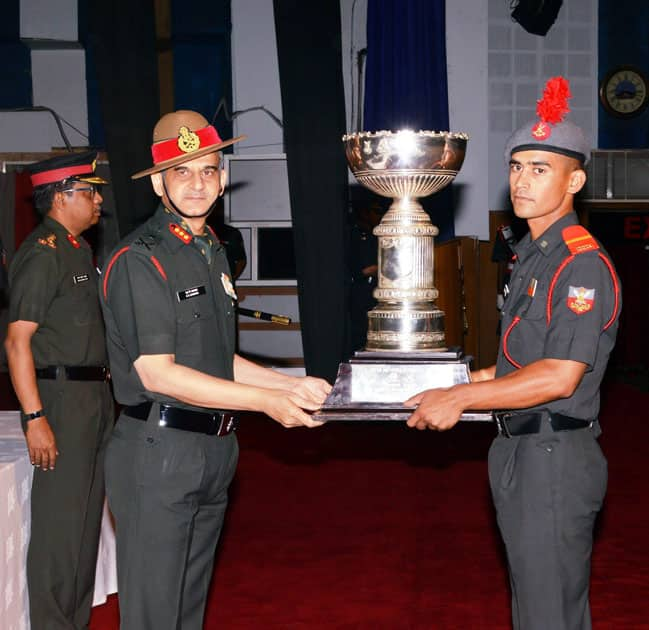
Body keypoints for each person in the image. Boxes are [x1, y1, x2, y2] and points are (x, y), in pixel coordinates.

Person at [99, 110, 331, 630]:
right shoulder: (141, 259)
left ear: (223, 178)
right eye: (182, 172)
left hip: (213, 448)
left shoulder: (210, 251)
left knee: (187, 613)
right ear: (159, 182)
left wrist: (290, 384)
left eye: (207, 170)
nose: (197, 183)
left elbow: (215, 359)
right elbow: (158, 374)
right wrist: (269, 404)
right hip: (158, 454)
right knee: (154, 616)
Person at [405, 77, 622, 630]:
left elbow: (558, 376)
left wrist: (462, 396)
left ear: (575, 180)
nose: (522, 181)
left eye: (540, 169)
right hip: (521, 451)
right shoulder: (533, 255)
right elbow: (519, 362)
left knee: (550, 612)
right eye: (517, 166)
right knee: (533, 607)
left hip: (553, 455)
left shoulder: (580, 264)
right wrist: (451, 379)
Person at [4, 152, 114, 630]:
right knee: (59, 529)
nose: (98, 200)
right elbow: (17, 341)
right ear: (61, 195)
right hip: (62, 400)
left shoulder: (76, 250)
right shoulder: (43, 252)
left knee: (84, 525)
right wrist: (35, 417)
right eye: (89, 191)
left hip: (93, 397)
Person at [348, 198, 384, 352]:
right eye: (376, 211)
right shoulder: (353, 234)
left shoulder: (377, 235)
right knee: (361, 335)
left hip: (378, 292)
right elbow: (350, 267)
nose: (379, 216)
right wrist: (371, 270)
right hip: (359, 292)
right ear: (364, 213)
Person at [208, 204, 247, 280]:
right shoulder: (197, 233)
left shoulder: (232, 233)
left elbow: (241, 261)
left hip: (226, 281)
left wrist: (231, 280)